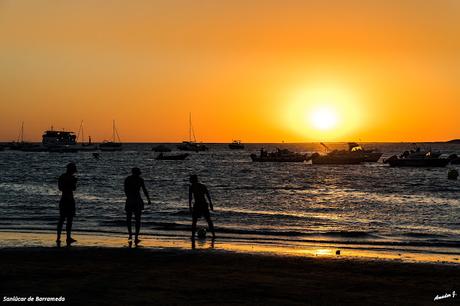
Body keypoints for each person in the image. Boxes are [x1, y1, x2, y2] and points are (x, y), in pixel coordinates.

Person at [124, 167, 151, 246]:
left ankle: (131, 235)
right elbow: (144, 190)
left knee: (129, 219)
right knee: (137, 219)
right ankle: (135, 237)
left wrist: (129, 197)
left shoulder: (128, 179)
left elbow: (125, 190)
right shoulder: (139, 180)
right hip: (136, 200)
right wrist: (148, 199)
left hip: (131, 200)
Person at [57, 162, 78, 247]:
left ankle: (59, 237)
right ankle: (67, 237)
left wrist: (73, 183)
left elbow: (60, 188)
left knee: (62, 219)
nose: (74, 172)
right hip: (68, 199)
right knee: (68, 220)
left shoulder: (62, 177)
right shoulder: (70, 177)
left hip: (64, 199)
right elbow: (73, 188)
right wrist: (72, 183)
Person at [188, 175, 215, 240]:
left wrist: (190, 207)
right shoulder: (202, 186)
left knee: (195, 221)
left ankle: (193, 235)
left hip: (198, 205)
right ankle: (213, 235)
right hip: (203, 204)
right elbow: (208, 195)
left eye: (190, 179)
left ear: (193, 180)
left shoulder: (192, 187)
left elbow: (190, 198)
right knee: (208, 220)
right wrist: (211, 204)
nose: (190, 180)